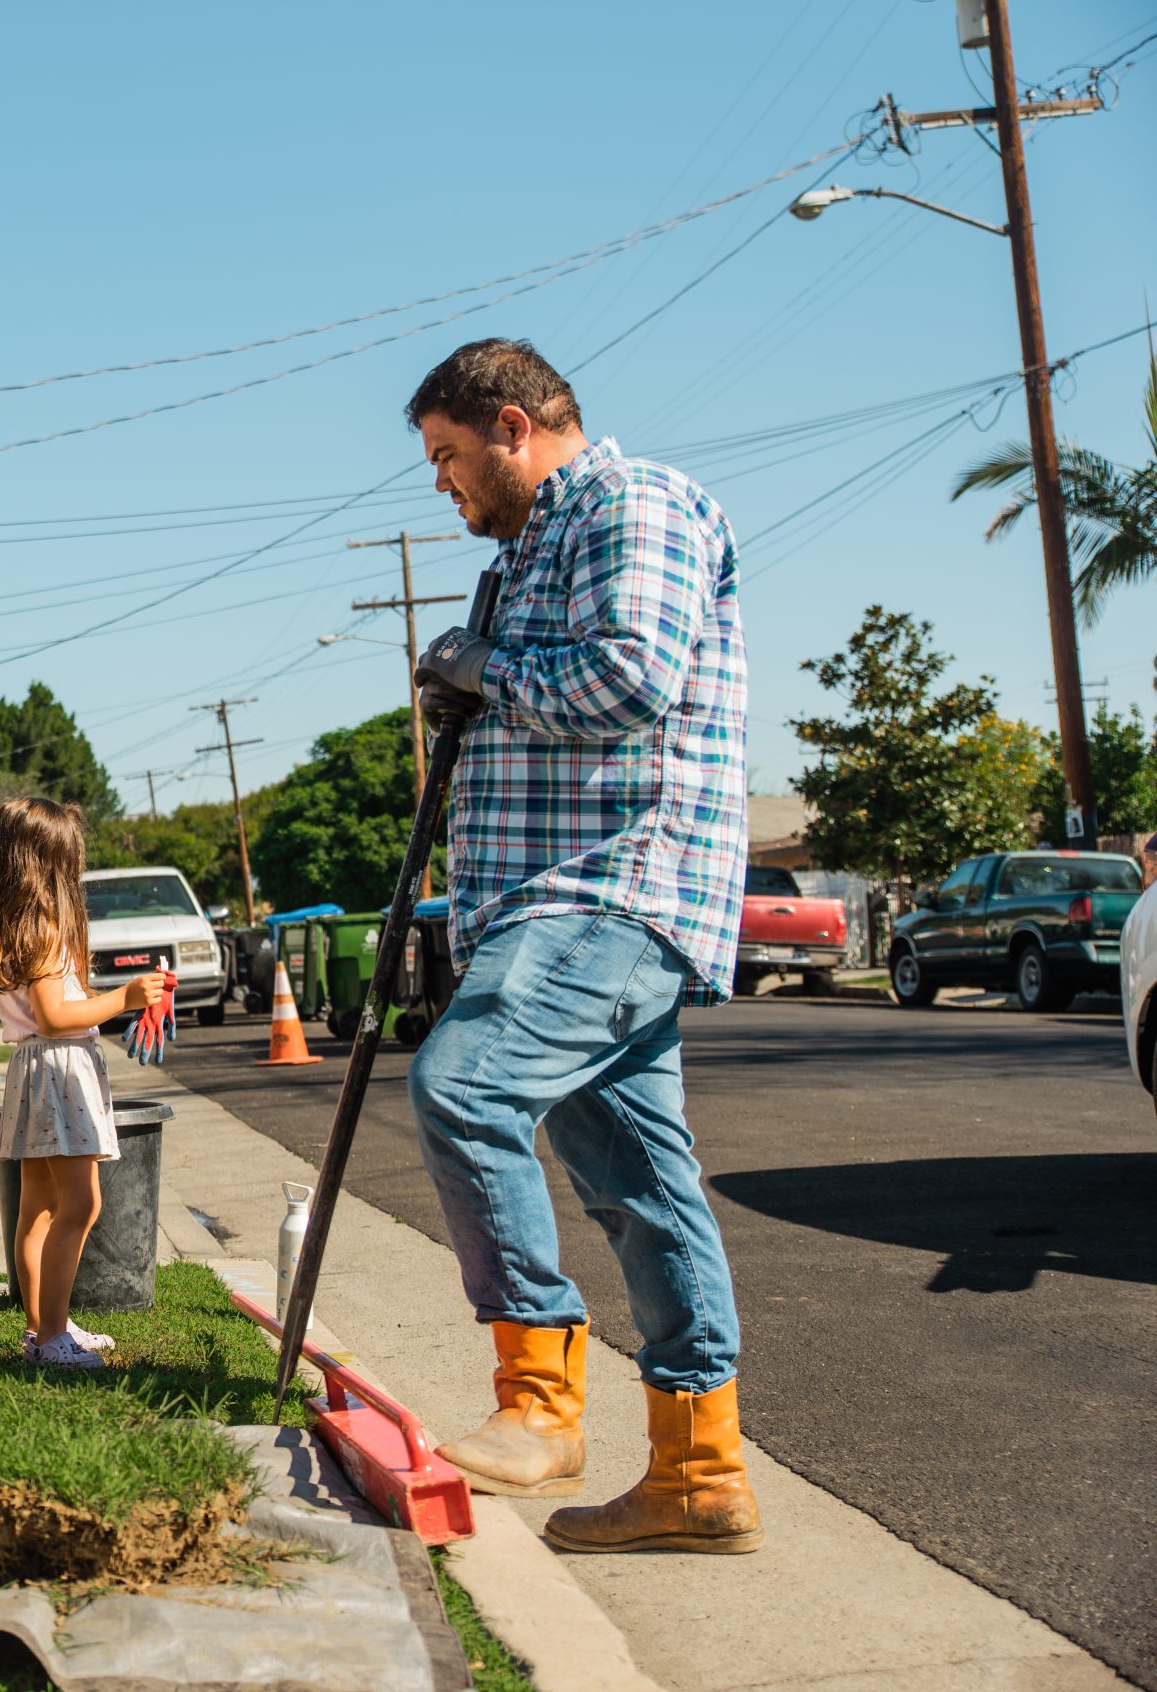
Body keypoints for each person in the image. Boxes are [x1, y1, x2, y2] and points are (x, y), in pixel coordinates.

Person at [401, 338, 760, 1554]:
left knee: (462, 1082)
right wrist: (475, 674)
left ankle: (540, 1400)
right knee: (644, 1190)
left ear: (511, 424)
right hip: (547, 896)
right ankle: (700, 1472)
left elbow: (628, 678)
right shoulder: (528, 555)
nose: (442, 484)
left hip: (609, 886)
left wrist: (480, 669)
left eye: (449, 455)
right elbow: (534, 686)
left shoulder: (631, 502)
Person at [0, 797, 170, 1370]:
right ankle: (54, 1336)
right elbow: (56, 1016)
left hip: (31, 1071)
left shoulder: (10, 923)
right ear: (48, 861)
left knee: (39, 1208)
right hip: (59, 1069)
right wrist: (124, 999)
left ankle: (42, 1326)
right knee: (80, 1203)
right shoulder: (45, 927)